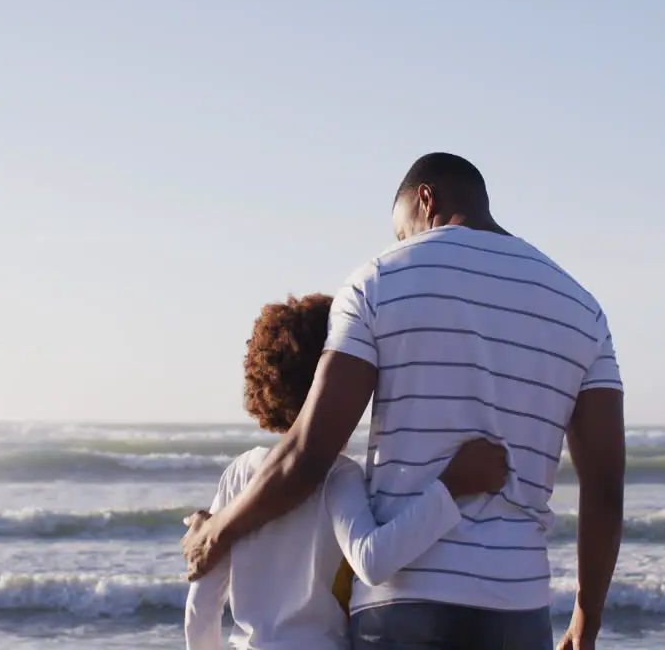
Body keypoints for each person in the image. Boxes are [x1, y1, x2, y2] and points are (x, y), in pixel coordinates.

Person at [184, 153, 626, 650]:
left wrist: (218, 530)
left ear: (426, 199)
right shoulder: (583, 309)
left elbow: (310, 451)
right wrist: (586, 621)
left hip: (403, 601)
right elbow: (606, 489)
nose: (404, 244)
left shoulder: (375, 282)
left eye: (403, 232)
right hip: (518, 602)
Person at [184, 293, 509, 650]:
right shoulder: (338, 476)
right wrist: (452, 486)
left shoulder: (239, 473)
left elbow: (202, 601)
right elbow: (373, 559)